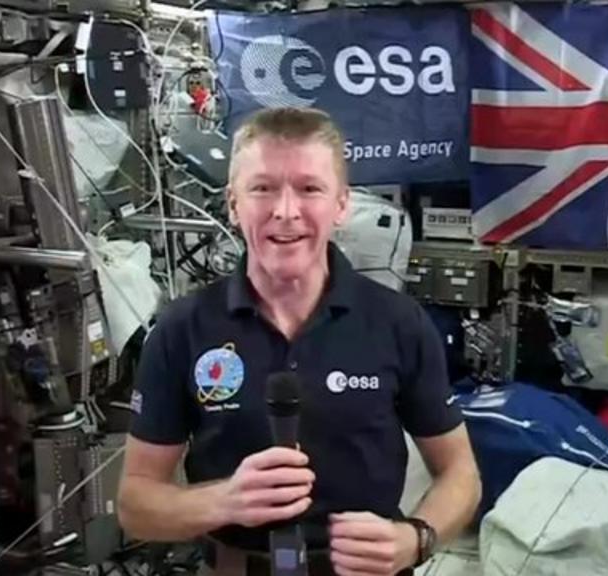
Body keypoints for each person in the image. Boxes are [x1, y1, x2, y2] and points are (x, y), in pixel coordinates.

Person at [117, 107, 481, 576]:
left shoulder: (398, 323)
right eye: (262, 188)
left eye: (310, 189)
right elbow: (136, 504)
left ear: (341, 205)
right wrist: (224, 501)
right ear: (233, 203)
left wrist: (416, 538)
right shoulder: (182, 329)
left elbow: (460, 474)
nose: (285, 211)